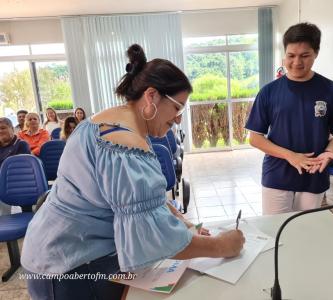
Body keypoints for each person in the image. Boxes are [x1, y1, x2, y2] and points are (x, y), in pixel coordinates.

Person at [21, 44, 245, 300]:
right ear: (152, 96)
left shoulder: (99, 124)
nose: (178, 119)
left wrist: (178, 219)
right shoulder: (126, 148)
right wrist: (221, 246)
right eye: (178, 108)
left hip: (46, 251)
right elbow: (154, 239)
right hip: (72, 269)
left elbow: (131, 196)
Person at [245, 23, 333, 215]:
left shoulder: (332, 90)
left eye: (304, 56)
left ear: (316, 53)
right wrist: (290, 156)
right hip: (277, 174)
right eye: (291, 55)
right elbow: (255, 138)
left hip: (314, 174)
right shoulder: (269, 92)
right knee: (275, 232)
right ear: (284, 53)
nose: (296, 62)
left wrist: (328, 152)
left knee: (306, 232)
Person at [0, 117, 30, 216]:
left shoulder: (21, 144)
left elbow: (21, 168)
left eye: (3, 128)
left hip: (19, 184)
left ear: (12, 129)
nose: (0, 131)